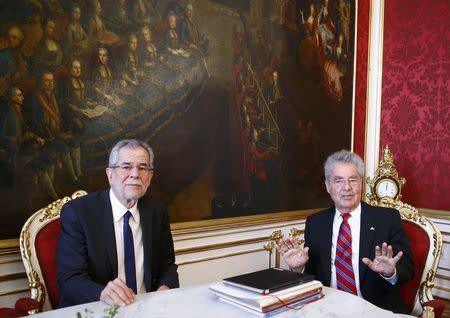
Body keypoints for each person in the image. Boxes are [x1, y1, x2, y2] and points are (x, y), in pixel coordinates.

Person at [276, 150, 414, 313]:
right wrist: (298, 269)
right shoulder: (315, 222)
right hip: (326, 308)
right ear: (328, 186)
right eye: (338, 181)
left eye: (353, 180)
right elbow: (312, 277)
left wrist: (391, 272)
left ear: (361, 183)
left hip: (374, 309)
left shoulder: (386, 219)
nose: (347, 188)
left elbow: (408, 269)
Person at [57, 139, 179, 307]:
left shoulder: (157, 211)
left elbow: (167, 265)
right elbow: (69, 279)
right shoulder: (79, 213)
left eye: (142, 168)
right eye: (126, 166)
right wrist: (102, 293)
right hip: (98, 309)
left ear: (150, 177)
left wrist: (166, 287)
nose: (135, 174)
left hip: (148, 307)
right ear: (110, 174)